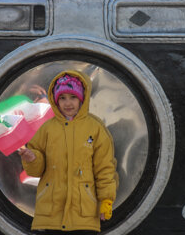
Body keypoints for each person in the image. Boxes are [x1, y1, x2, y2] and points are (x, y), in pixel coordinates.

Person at [18, 70, 118, 234]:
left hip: (83, 213)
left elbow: (104, 168)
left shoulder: (95, 128)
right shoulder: (47, 128)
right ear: (55, 101)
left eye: (73, 97)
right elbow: (36, 170)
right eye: (62, 98)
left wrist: (106, 199)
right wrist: (32, 158)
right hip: (51, 212)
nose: (68, 103)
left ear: (82, 99)